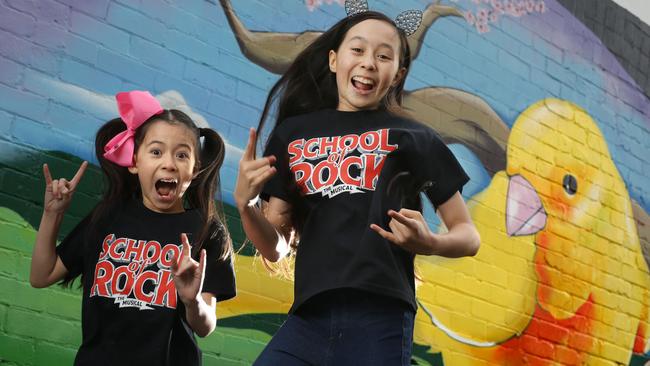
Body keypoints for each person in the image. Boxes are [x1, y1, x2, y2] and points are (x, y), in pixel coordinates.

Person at [234, 8, 481, 366]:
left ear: (397, 75)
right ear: (334, 60)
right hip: (308, 318)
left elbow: (468, 235)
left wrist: (430, 243)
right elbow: (275, 248)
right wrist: (246, 205)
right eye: (358, 50)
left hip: (380, 318)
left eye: (383, 56)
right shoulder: (293, 134)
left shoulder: (415, 137)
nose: (368, 63)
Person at [30, 91, 236, 366]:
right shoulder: (107, 219)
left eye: (182, 155)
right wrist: (52, 215)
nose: (169, 164)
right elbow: (41, 276)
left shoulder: (206, 231)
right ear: (135, 162)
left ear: (195, 170)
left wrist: (192, 300)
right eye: (156, 151)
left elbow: (205, 326)